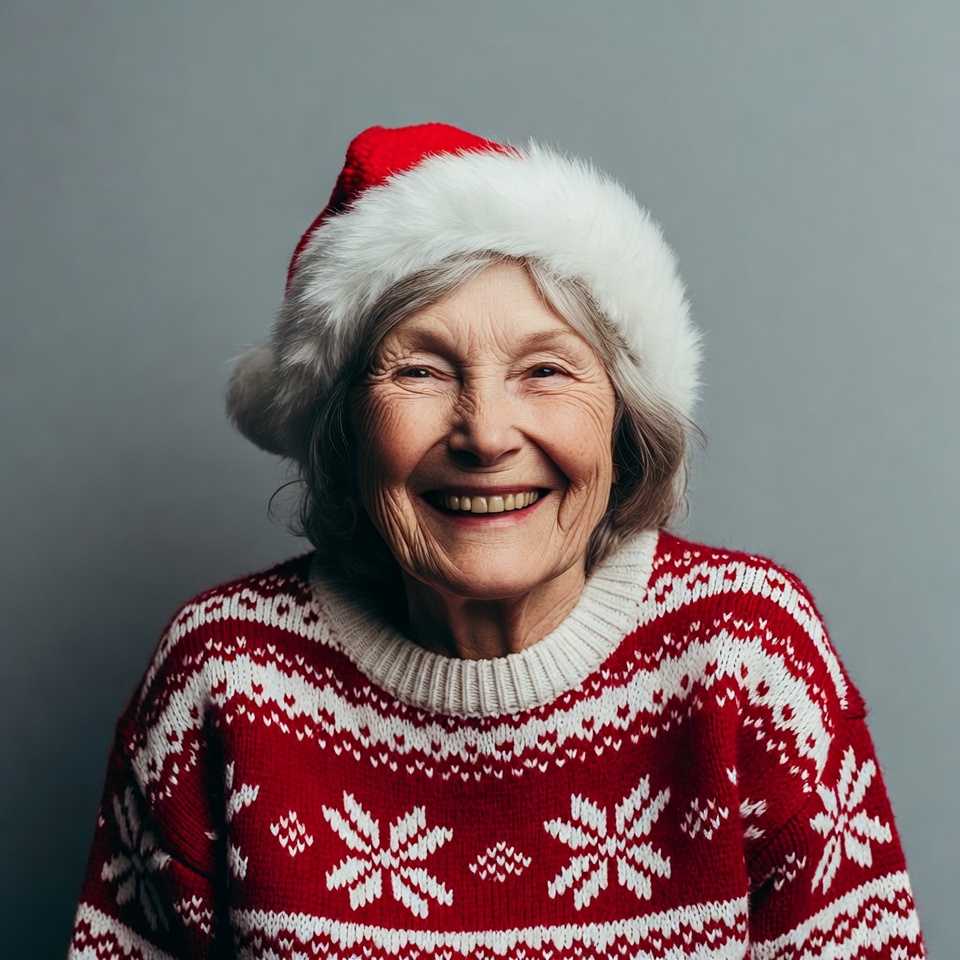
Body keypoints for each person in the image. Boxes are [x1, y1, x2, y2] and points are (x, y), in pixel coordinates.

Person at [68, 123, 924, 959]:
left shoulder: (747, 655)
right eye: (421, 370)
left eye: (545, 370)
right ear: (344, 430)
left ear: (624, 416)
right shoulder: (223, 676)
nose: (485, 435)